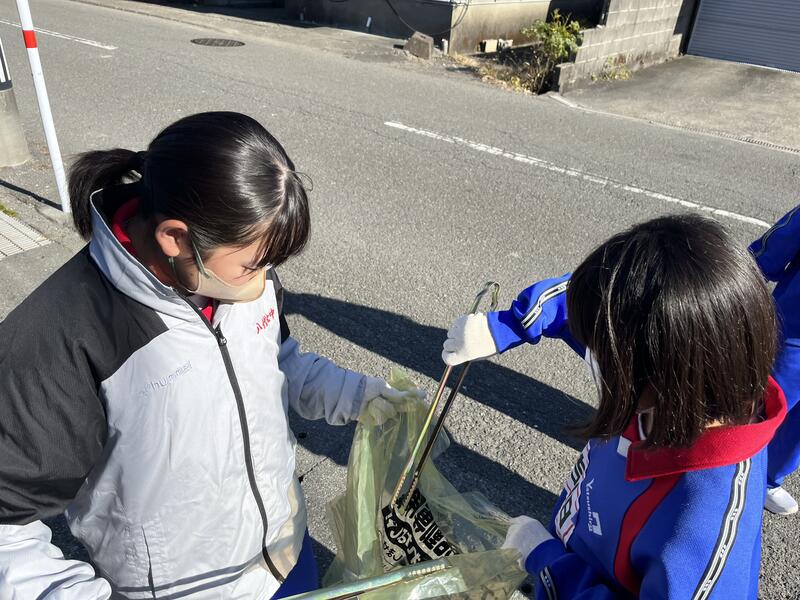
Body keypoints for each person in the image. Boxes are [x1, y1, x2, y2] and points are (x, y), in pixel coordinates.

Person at [0, 112, 413, 599]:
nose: (264, 281)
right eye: (253, 266)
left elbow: (277, 362)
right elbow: (8, 528)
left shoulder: (236, 272)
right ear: (175, 238)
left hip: (285, 556)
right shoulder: (63, 336)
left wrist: (362, 396)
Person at [443, 215, 786, 598]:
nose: (591, 357)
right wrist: (505, 328)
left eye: (603, 354)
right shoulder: (680, 383)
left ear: (658, 366)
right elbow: (598, 306)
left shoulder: (705, 526)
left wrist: (548, 562)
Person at [750, 205, 800, 515]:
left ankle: (766, 478)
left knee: (796, 431)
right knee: (758, 401)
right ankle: (710, 465)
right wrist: (753, 267)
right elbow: (779, 242)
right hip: (793, 329)